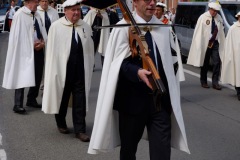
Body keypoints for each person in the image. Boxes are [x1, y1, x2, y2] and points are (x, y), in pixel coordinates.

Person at [88, 0, 189, 159]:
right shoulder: (122, 28)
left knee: (162, 151)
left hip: (159, 101)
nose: (152, 3)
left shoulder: (164, 28)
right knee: (128, 151)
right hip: (132, 101)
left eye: (154, 0)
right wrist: (137, 72)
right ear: (134, 2)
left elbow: (171, 60)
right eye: (146, 0)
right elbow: (117, 64)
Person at [41, 0, 94, 142]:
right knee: (62, 98)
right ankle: (61, 122)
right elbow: (52, 52)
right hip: (62, 70)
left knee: (80, 100)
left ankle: (80, 130)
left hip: (80, 70)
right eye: (73, 10)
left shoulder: (85, 27)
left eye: (78, 9)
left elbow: (89, 49)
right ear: (65, 11)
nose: (76, 12)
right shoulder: (56, 27)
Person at [2, 0, 47, 114]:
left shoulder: (36, 14)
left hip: (38, 49)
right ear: (28, 2)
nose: (37, 4)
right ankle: (18, 104)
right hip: (24, 51)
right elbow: (16, 36)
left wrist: (43, 43)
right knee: (21, 75)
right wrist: (30, 45)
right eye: (35, 2)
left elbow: (42, 31)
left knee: (37, 74)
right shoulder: (19, 15)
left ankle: (31, 99)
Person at [187, 1, 225, 90]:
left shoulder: (219, 18)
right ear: (210, 9)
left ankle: (215, 82)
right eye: (213, 10)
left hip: (215, 43)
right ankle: (203, 81)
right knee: (205, 63)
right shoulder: (203, 17)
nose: (214, 12)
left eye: (216, 11)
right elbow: (199, 31)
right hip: (205, 43)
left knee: (217, 62)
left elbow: (221, 31)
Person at [221, 11, 240, 101]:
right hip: (237, 55)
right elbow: (229, 43)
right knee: (237, 73)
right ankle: (239, 91)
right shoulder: (233, 29)